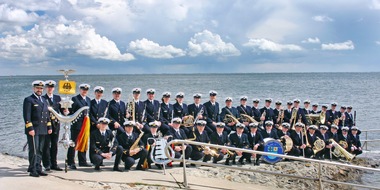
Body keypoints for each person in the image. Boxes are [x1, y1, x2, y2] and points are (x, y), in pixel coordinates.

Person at [23, 80, 52, 177]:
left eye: (41, 88)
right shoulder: (29, 100)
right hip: (34, 129)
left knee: (40, 149)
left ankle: (39, 168)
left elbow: (47, 115)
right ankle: (32, 169)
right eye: (38, 88)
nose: (39, 90)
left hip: (43, 129)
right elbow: (27, 116)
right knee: (34, 150)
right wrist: (30, 128)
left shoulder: (44, 100)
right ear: (34, 88)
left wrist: (49, 126)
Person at [67, 83, 92, 169]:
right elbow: (71, 112)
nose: (84, 91)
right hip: (77, 124)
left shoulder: (88, 99)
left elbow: (89, 112)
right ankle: (71, 162)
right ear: (80, 90)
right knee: (73, 143)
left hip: (85, 125)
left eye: (86, 90)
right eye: (83, 89)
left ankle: (82, 161)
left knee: (84, 142)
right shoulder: (75, 99)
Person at [42, 80, 63, 171]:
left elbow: (62, 110)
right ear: (46, 88)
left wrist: (66, 112)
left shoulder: (58, 98)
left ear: (54, 88)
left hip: (56, 125)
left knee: (54, 145)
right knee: (46, 145)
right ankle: (47, 164)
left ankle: (54, 163)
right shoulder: (43, 98)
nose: (50, 89)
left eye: (51, 87)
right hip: (46, 125)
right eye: (48, 87)